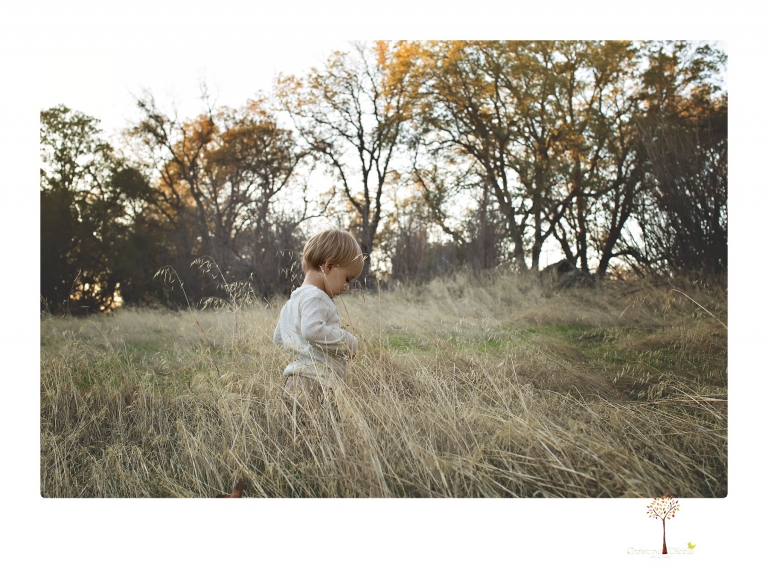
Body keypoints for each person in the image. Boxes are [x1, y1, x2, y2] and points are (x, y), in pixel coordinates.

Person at [273, 229, 364, 424]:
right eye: (347, 279)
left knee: (293, 436)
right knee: (324, 435)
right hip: (316, 382)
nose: (347, 287)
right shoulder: (316, 297)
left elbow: (279, 337)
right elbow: (312, 330)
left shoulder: (293, 299)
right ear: (329, 267)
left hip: (292, 381)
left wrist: (301, 348)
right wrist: (348, 342)